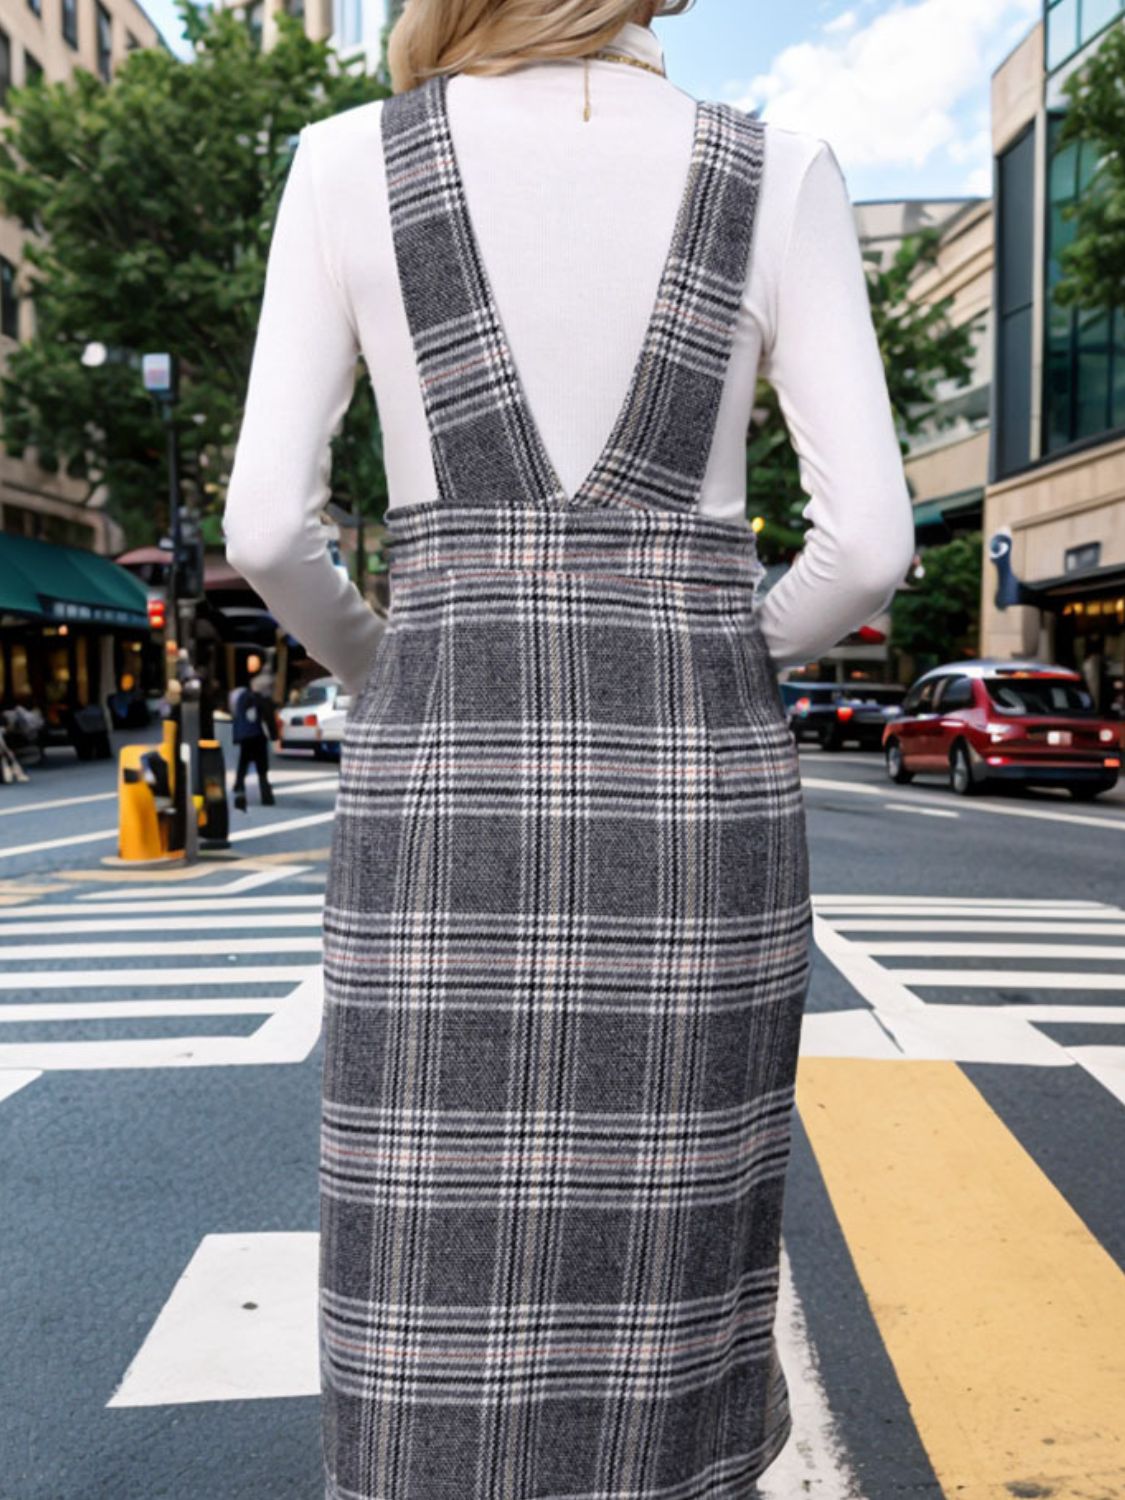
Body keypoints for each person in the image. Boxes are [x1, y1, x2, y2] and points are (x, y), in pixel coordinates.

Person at [223, 3, 915, 1496]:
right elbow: (865, 550)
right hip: (697, 793)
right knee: (675, 1233)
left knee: (431, 1234)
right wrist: (708, 655)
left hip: (443, 782)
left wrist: (392, 662)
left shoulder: (347, 161)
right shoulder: (778, 168)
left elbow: (266, 530)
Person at [229, 671, 278, 811]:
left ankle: (239, 787)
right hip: (258, 736)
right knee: (261, 766)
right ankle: (266, 795)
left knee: (243, 761)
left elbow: (237, 717)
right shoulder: (263, 700)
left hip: (245, 736)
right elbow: (269, 719)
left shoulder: (241, 697)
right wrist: (274, 737)